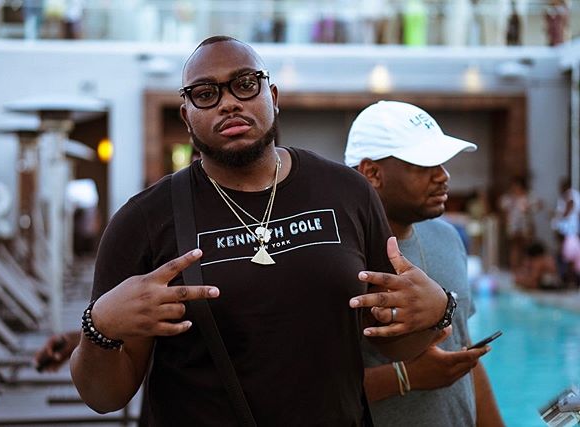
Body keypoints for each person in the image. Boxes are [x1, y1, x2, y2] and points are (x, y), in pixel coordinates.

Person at [70, 36, 453, 426]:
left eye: (245, 84)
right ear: (187, 117)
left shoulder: (347, 193)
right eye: (205, 94)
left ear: (272, 95)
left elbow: (391, 340)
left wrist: (437, 311)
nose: (229, 102)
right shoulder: (144, 221)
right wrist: (98, 326)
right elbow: (104, 396)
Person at [344, 100, 504, 426]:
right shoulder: (339, 259)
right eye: (425, 164)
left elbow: (465, 354)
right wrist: (405, 377)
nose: (444, 176)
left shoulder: (446, 237)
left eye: (442, 162)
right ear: (372, 172)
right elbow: (309, 388)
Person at [499, 175, 540, 272]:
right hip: (513, 225)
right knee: (514, 247)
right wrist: (506, 222)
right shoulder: (509, 197)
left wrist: (529, 208)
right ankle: (515, 268)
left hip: (525, 225)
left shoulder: (528, 196)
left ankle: (525, 267)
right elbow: (503, 209)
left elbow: (537, 206)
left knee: (526, 246)